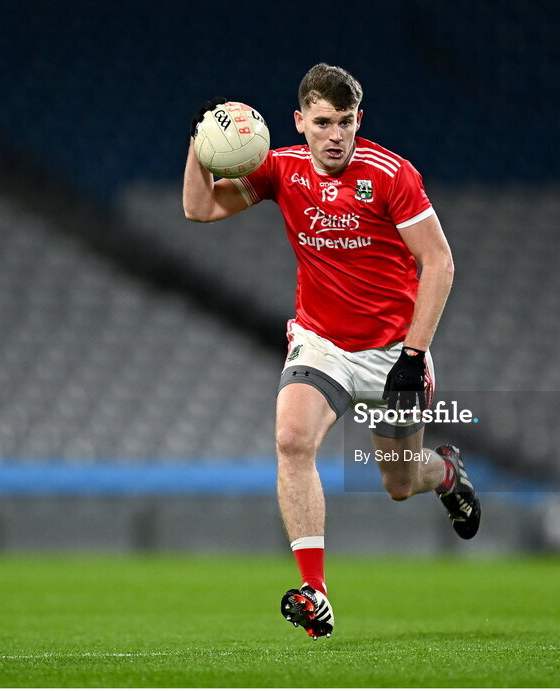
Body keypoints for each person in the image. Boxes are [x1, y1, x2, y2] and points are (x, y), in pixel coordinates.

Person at [182, 63, 480, 640]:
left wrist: (413, 357)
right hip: (320, 341)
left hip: (394, 349)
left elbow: (439, 263)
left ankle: (445, 472)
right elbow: (201, 208)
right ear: (299, 123)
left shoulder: (391, 175)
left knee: (397, 483)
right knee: (292, 440)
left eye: (345, 121)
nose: (335, 134)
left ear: (358, 120)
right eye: (323, 122)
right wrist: (199, 145)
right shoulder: (281, 169)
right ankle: (315, 592)